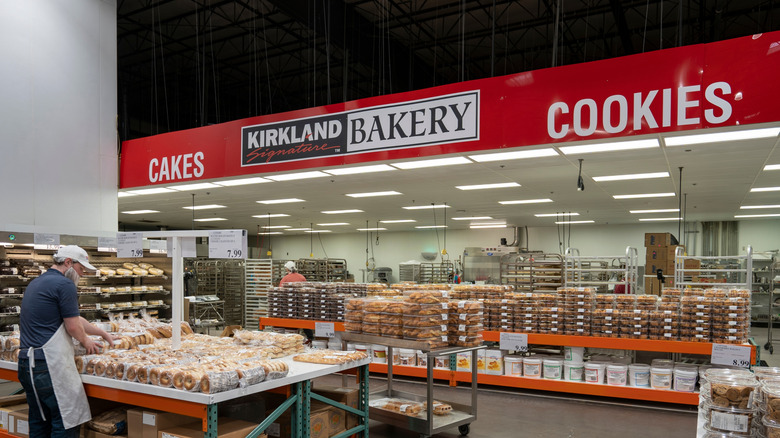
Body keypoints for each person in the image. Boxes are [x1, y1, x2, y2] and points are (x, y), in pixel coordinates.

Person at [18, 245, 117, 437]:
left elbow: (73, 319)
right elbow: (72, 326)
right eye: (81, 270)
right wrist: (86, 341)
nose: (82, 275)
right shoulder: (64, 285)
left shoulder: (37, 282)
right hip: (49, 365)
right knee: (65, 420)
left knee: (40, 421)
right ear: (68, 263)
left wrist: (102, 333)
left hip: (27, 364)